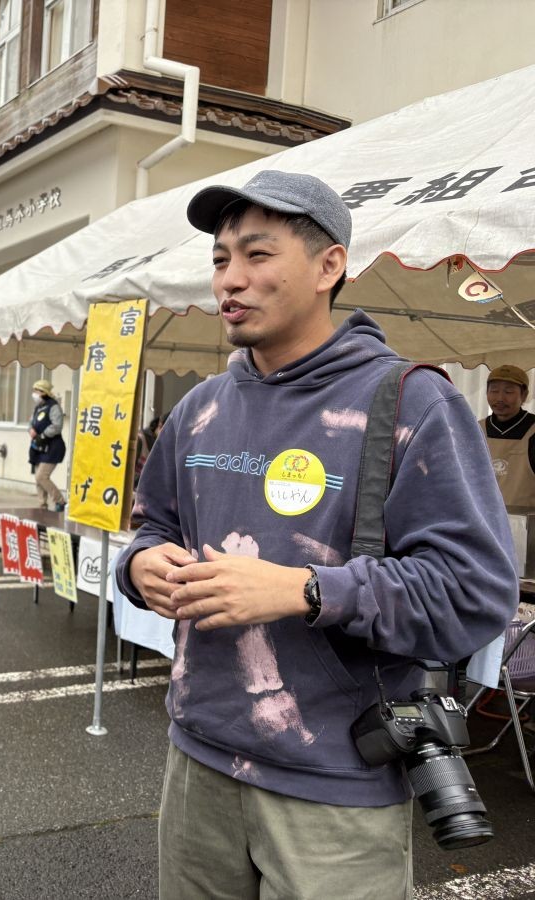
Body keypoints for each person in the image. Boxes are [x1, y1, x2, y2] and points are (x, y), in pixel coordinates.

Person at [116, 169, 518, 899]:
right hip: (196, 760)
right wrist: (142, 564)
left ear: (329, 265)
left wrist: (305, 589)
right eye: (218, 260)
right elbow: (153, 524)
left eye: (257, 255)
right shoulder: (200, 409)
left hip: (336, 782)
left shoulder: (410, 402)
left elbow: (475, 593)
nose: (229, 280)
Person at [479, 363, 535, 507]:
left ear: (524, 395)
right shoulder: (477, 429)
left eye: (508, 392)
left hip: (526, 522)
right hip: (484, 519)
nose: (500, 398)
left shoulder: (532, 430)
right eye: (494, 391)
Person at [27, 378, 66, 511]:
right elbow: (31, 423)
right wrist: (31, 431)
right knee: (38, 479)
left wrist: (43, 435)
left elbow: (57, 426)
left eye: (37, 391)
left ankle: (60, 500)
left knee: (41, 476)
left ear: (44, 392)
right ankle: (42, 505)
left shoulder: (53, 406)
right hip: (38, 447)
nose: (34, 394)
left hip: (52, 447)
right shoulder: (38, 407)